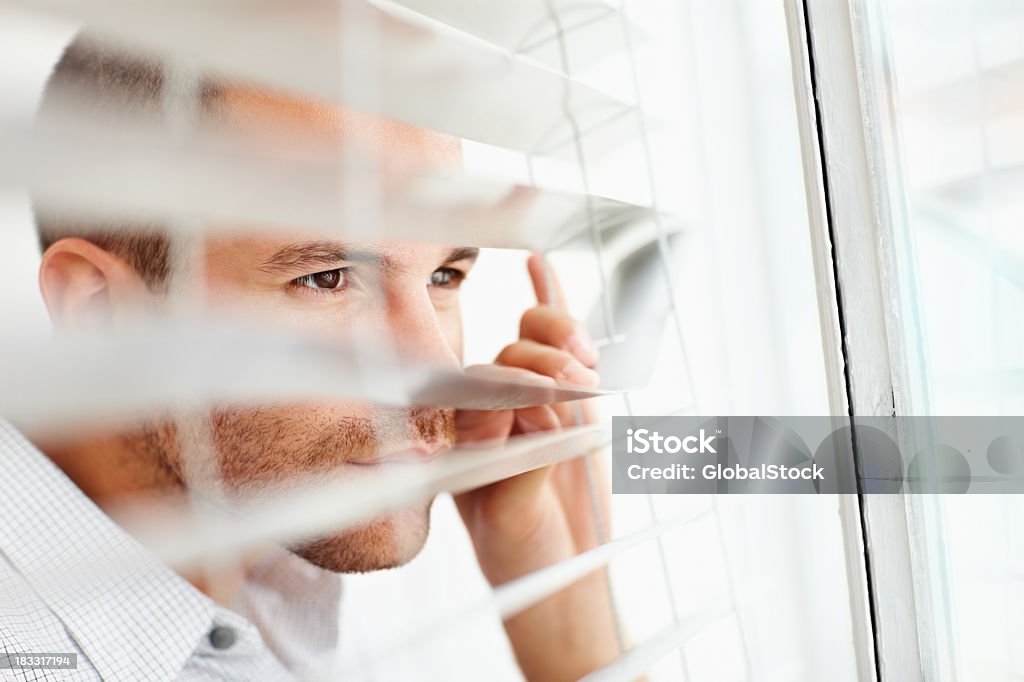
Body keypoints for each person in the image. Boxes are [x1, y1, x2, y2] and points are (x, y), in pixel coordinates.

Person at [0, 34, 620, 681]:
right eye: (328, 278)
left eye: (443, 276)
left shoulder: (280, 586)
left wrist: (564, 604)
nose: (436, 372)